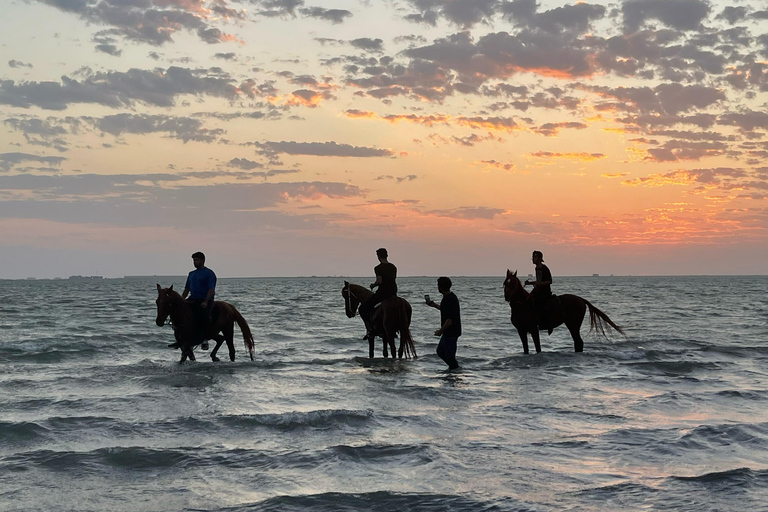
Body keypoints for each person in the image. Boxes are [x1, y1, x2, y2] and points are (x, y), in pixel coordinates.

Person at [169, 251, 216, 350]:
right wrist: (181, 300)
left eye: (196, 260)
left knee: (205, 316)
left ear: (202, 261)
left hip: (205, 299)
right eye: (194, 260)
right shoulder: (191, 274)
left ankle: (204, 339)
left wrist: (206, 301)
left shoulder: (209, 273)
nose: (194, 262)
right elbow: (187, 289)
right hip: (193, 298)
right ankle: (180, 339)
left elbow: (211, 289)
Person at [358, 248, 397, 339]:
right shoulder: (393, 267)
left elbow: (379, 281)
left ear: (378, 256)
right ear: (387, 255)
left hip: (383, 293)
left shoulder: (378, 268)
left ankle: (370, 330)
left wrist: (373, 285)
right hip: (393, 292)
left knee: (362, 308)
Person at [426, 276, 461, 370]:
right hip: (448, 332)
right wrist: (434, 305)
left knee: (450, 356)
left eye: (438, 285)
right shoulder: (448, 297)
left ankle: (455, 370)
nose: (437, 287)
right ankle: (453, 369)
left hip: (451, 332)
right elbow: (445, 310)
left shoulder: (450, 299)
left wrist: (440, 331)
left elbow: (450, 319)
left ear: (441, 287)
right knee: (440, 351)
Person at [524, 250, 553, 334]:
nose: (533, 259)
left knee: (537, 303)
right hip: (538, 290)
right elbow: (538, 281)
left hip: (544, 291)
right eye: (533, 257)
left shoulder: (544, 268)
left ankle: (544, 321)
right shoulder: (537, 268)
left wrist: (539, 284)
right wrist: (530, 283)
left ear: (539, 258)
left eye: (535, 257)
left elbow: (550, 281)